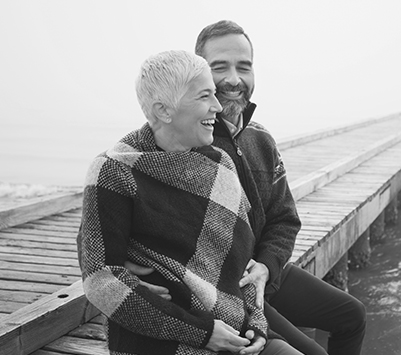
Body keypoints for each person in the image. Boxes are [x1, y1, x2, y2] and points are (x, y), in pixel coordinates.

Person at [129, 21, 367, 355]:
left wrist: (267, 266)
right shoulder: (186, 138)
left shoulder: (261, 139)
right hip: (222, 286)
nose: (233, 79)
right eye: (218, 68)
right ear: (199, 74)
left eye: (244, 67)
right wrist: (121, 264)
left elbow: (284, 218)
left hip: (262, 274)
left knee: (352, 314)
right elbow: (115, 199)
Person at [77, 50, 303, 355]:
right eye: (204, 96)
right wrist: (203, 333)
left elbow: (242, 265)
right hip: (161, 342)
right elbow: (101, 280)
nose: (218, 106)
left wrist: (258, 324)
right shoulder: (113, 170)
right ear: (164, 110)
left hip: (236, 333)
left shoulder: (220, 163)